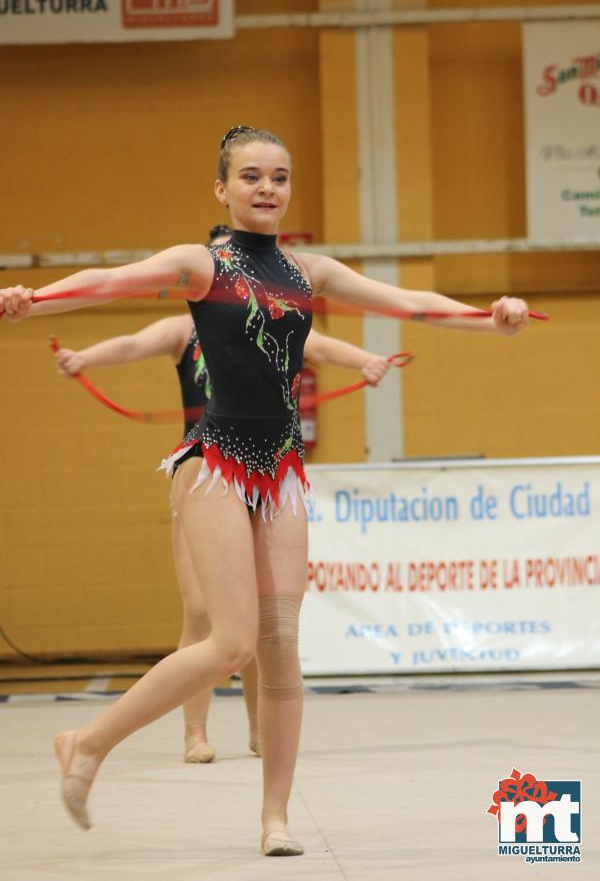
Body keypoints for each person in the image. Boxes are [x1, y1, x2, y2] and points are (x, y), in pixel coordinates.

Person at [0, 125, 530, 856]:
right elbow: (108, 282)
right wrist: (33, 301)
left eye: (279, 177)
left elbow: (406, 300)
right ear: (222, 188)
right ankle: (85, 744)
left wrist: (486, 318)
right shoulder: (200, 263)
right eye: (250, 176)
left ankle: (274, 819)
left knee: (281, 645)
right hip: (215, 461)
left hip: (279, 468)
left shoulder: (310, 270)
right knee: (231, 643)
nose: (267, 189)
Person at [53, 223, 392, 765]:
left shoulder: (277, 307)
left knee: (261, 621)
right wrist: (85, 358)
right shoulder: (182, 328)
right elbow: (130, 342)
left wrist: (366, 362)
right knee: (200, 612)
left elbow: (320, 344)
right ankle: (195, 732)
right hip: (209, 469)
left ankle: (260, 728)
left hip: (264, 468)